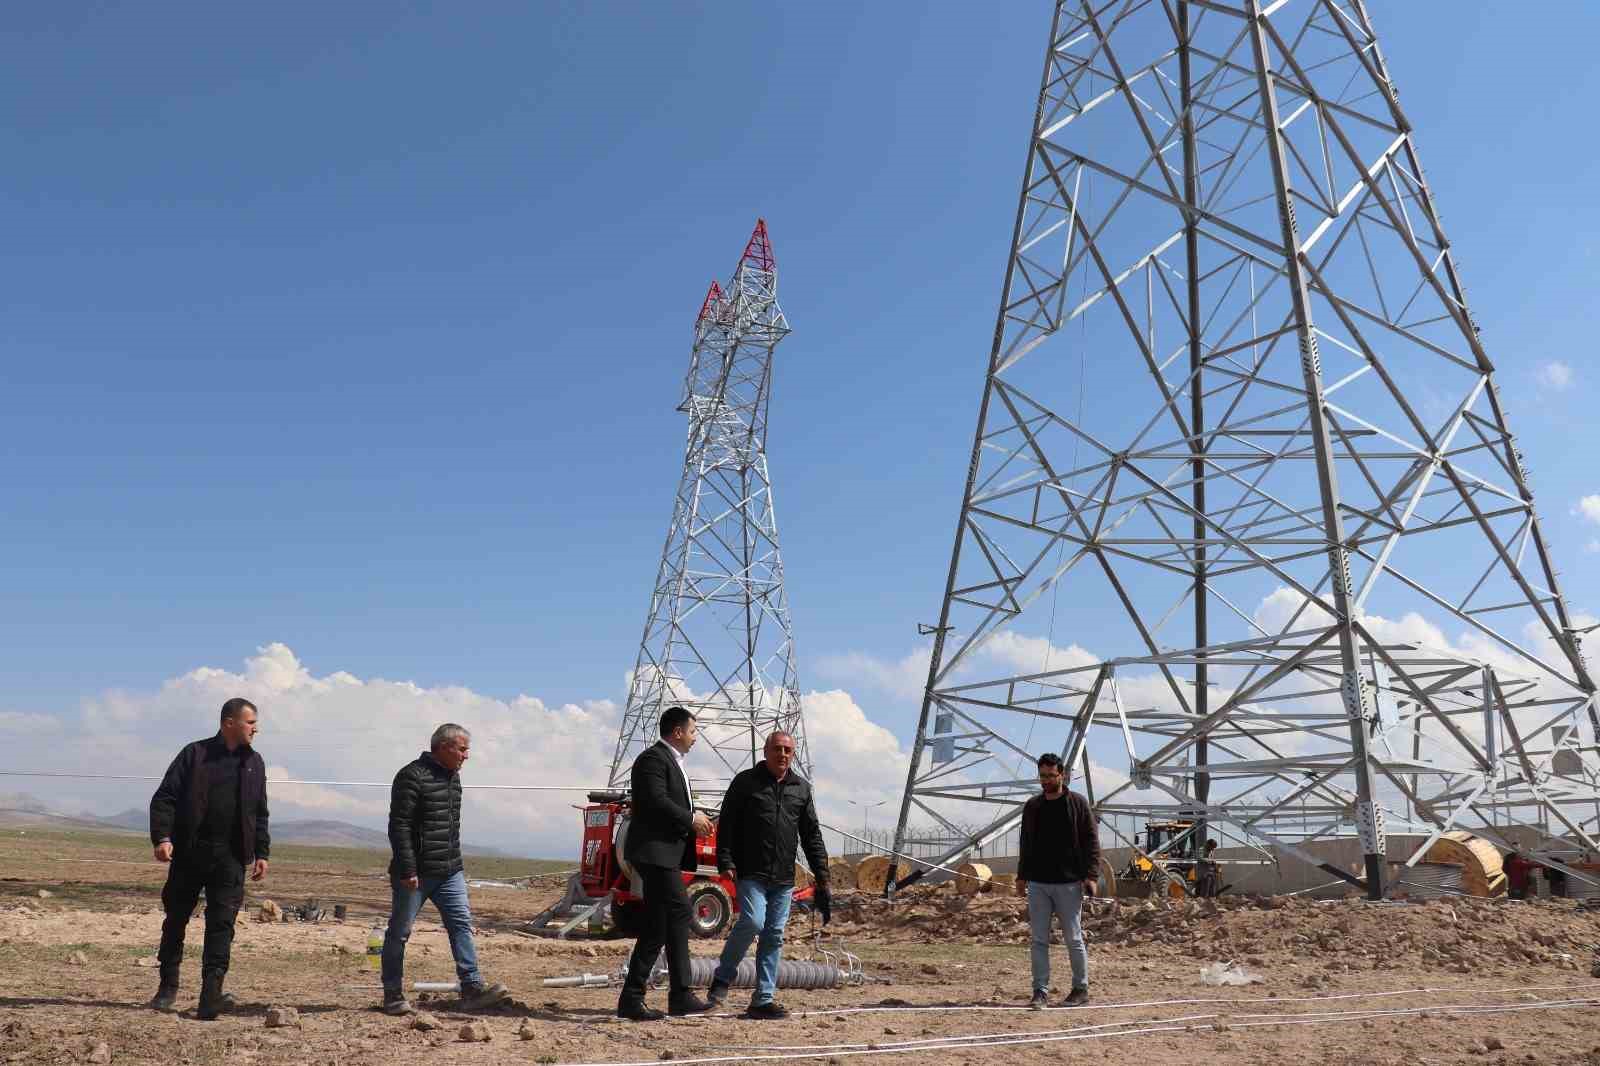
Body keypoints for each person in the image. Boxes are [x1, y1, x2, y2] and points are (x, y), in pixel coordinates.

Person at [148, 697, 271, 1019]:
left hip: (231, 858)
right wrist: (163, 838)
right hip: (190, 853)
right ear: (229, 723)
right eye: (250, 722)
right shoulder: (195, 754)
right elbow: (165, 798)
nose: (256, 729)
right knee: (176, 919)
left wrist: (262, 852)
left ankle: (210, 995)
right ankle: (167, 986)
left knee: (222, 925)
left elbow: (259, 813)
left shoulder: (254, 762)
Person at [379, 724, 510, 1015]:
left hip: (450, 871)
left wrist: (455, 864)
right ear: (443, 747)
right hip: (416, 874)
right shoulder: (412, 775)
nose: (466, 756)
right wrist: (407, 869)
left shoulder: (453, 778)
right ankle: (392, 995)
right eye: (462, 749)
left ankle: (472, 988)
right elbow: (399, 825)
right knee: (399, 932)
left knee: (461, 925)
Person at [707, 731, 831, 1019]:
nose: (782, 754)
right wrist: (725, 860)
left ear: (793, 754)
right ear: (765, 751)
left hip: (784, 877)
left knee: (774, 934)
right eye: (777, 749)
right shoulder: (745, 783)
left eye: (788, 750)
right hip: (751, 871)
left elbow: (811, 835)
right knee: (753, 921)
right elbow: (727, 824)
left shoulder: (801, 789)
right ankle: (723, 977)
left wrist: (822, 875)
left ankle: (763, 999)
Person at [617, 706, 716, 1021]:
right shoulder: (653, 760)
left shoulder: (671, 762)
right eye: (693, 731)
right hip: (654, 853)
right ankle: (662, 995)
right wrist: (691, 818)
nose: (695, 738)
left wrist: (696, 817)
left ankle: (664, 996)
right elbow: (656, 801)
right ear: (677, 732)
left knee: (661, 922)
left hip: (664, 855)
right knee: (677, 913)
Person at [1014, 752, 1100, 1009]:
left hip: (1069, 884)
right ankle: (1040, 991)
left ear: (1062, 775)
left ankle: (1080, 988)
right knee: (1039, 940)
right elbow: (1025, 843)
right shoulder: (1033, 806)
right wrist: (1021, 876)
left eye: (1051, 776)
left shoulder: (1077, 804)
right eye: (1042, 776)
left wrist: (1091, 876)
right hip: (1038, 884)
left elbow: (1091, 841)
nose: (1046, 781)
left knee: (1073, 938)